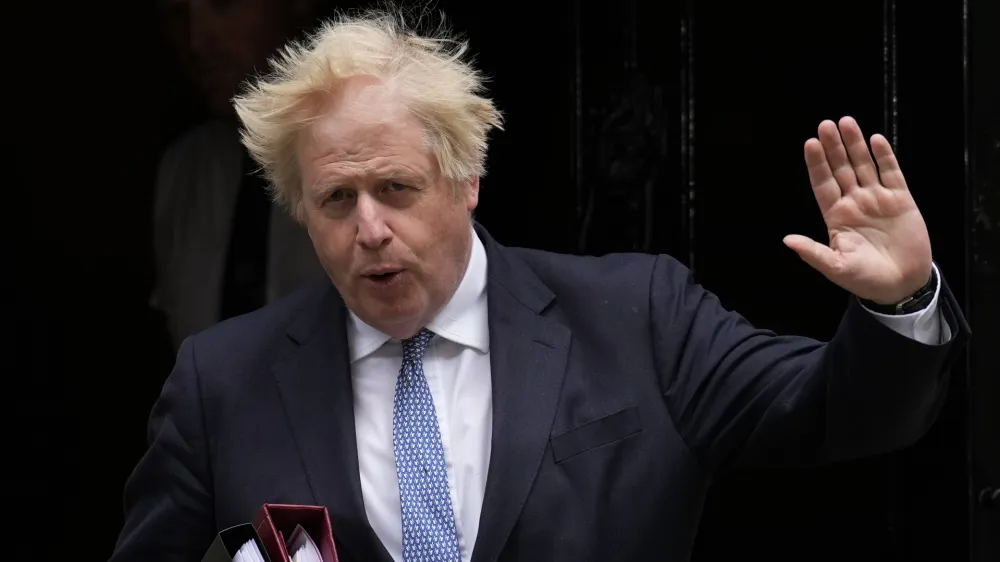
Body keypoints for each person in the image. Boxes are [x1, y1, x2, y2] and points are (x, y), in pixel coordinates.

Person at [110, 9, 970, 562]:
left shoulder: (638, 319)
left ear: (466, 177)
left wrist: (897, 302)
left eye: (397, 189)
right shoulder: (223, 384)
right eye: (337, 199)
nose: (369, 227)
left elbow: (838, 414)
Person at [150, 0, 331, 350]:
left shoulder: (374, 158)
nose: (197, 41)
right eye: (176, 14)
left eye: (224, 4)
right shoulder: (184, 170)